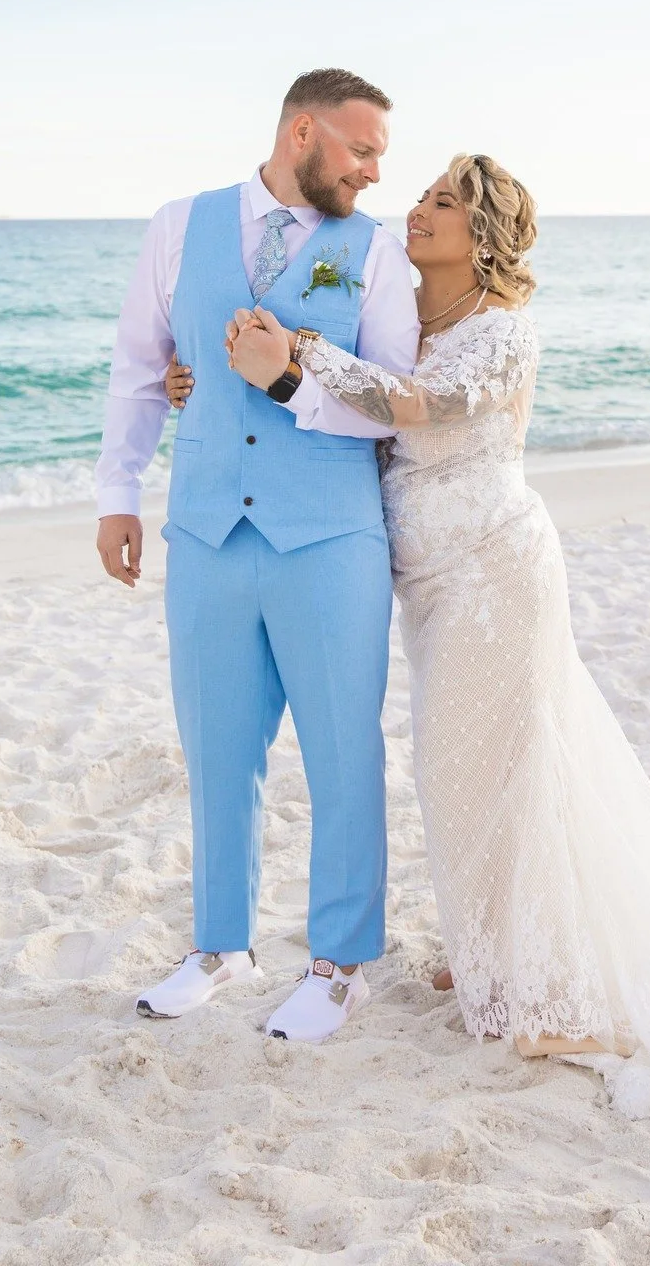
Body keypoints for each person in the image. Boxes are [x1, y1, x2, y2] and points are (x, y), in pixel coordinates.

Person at [207, 152, 650, 1139]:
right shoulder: (400, 322)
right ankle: (494, 950)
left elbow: (422, 410)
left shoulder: (502, 333)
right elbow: (351, 417)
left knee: (499, 771)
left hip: (495, 576)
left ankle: (538, 986)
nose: (417, 209)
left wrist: (300, 358)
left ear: (484, 236)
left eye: (443, 202)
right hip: (430, 585)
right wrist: (234, 373)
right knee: (456, 773)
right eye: (421, 195)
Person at [95, 68, 419, 1043]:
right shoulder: (177, 225)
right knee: (218, 749)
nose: (370, 172)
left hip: (328, 535)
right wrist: (119, 492)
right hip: (203, 530)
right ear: (303, 131)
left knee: (341, 754)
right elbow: (140, 368)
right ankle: (219, 946)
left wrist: (292, 379)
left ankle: (338, 964)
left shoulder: (376, 252)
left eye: (380, 158)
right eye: (360, 150)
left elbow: (396, 400)